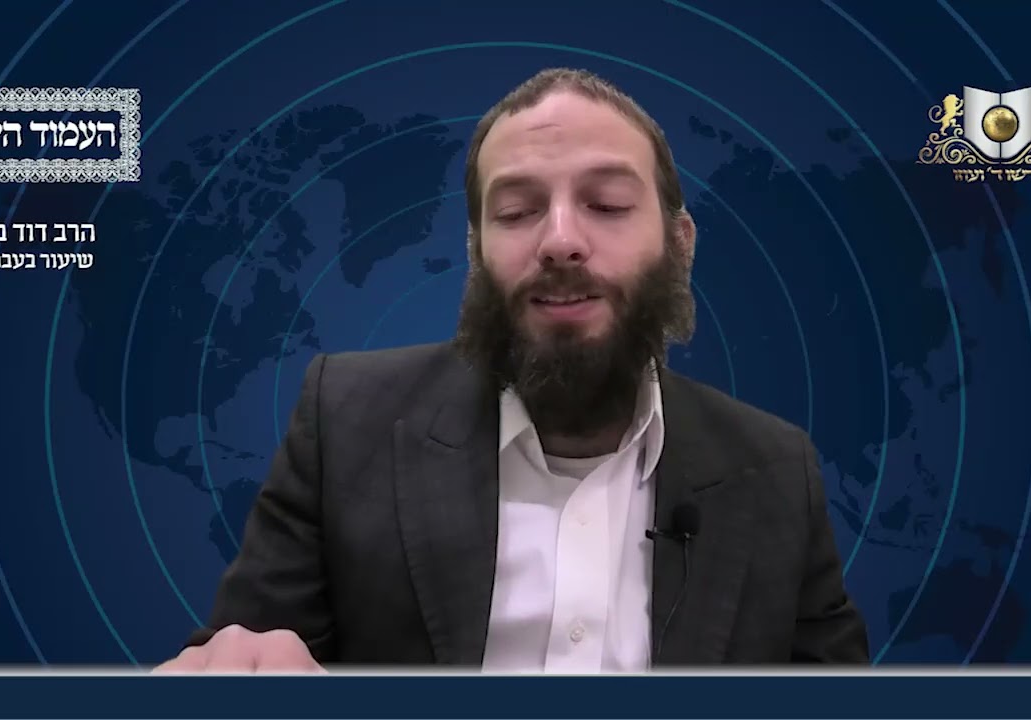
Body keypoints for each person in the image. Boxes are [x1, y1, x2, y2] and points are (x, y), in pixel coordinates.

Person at [155, 67, 869, 674]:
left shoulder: (778, 472)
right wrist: (238, 663)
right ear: (477, 253)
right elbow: (244, 655)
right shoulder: (343, 423)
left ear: (680, 244)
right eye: (519, 210)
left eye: (608, 204)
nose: (560, 240)